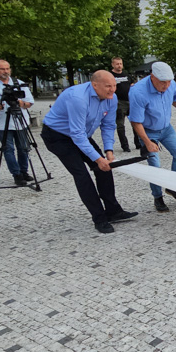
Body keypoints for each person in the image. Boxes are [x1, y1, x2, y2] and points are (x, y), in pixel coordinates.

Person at [41, 71, 138, 234]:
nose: (112, 90)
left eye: (114, 86)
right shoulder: (77, 98)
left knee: (105, 168)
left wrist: (108, 150)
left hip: (82, 135)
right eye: (108, 86)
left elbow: (108, 125)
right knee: (82, 175)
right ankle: (99, 218)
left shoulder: (111, 98)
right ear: (94, 85)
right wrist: (97, 158)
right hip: (57, 136)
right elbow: (76, 134)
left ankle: (113, 211)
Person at [129, 62, 176, 213]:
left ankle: (173, 187)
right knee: (155, 165)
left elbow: (174, 98)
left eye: (169, 81)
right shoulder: (138, 92)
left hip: (166, 128)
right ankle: (158, 197)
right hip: (148, 130)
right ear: (152, 77)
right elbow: (135, 121)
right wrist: (147, 142)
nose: (166, 85)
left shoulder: (171, 85)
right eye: (162, 82)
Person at [0, 59, 35, 186]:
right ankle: (17, 174)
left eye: (8, 68)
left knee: (24, 148)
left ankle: (24, 171)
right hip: (2, 122)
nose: (6, 71)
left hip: (20, 120)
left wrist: (21, 103)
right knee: (8, 149)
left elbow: (30, 102)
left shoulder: (18, 83)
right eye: (2, 69)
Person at [109, 56, 138, 152]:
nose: (119, 66)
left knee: (135, 122)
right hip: (118, 102)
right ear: (113, 64)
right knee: (120, 125)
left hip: (130, 101)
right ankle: (125, 146)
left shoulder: (127, 75)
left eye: (121, 63)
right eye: (117, 64)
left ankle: (138, 143)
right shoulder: (110, 76)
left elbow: (132, 85)